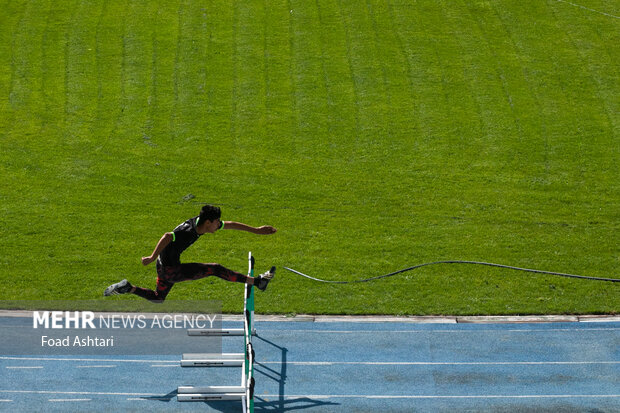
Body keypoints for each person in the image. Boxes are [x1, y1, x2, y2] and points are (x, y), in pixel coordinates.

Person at [103, 205, 276, 302]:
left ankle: (128, 288)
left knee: (158, 298)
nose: (219, 225)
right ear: (208, 222)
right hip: (170, 270)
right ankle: (258, 282)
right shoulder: (189, 231)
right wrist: (151, 257)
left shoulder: (201, 222)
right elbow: (167, 236)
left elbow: (230, 224)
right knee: (214, 269)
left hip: (164, 267)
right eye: (216, 222)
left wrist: (257, 231)